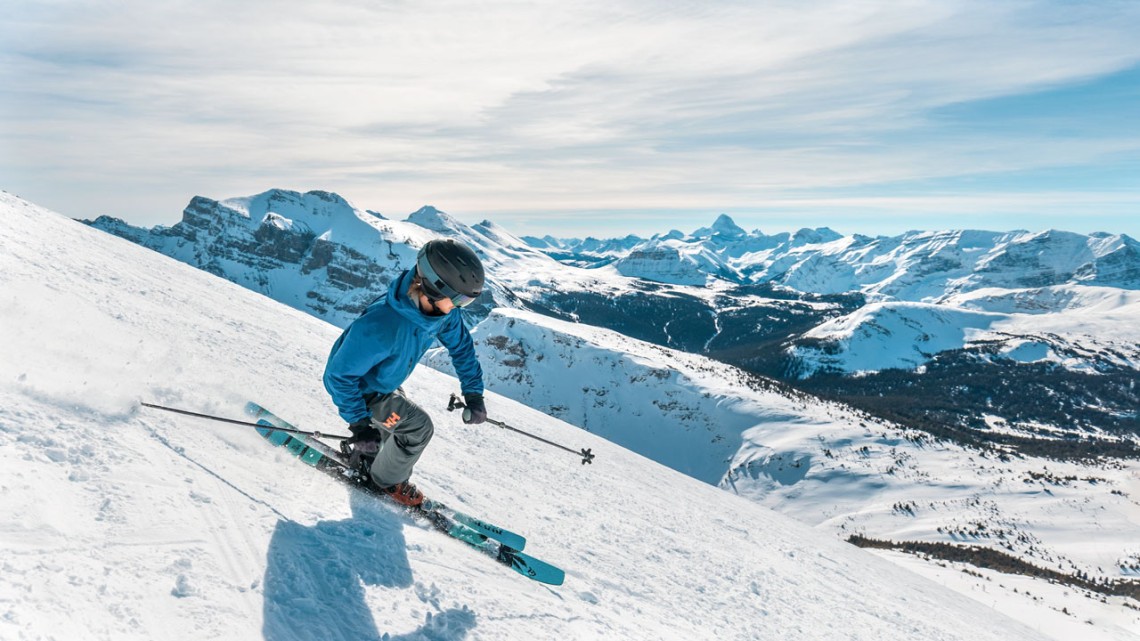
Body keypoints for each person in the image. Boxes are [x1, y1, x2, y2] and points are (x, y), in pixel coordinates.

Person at [323, 238, 488, 507]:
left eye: (465, 302)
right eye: (458, 299)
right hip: (364, 394)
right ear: (434, 288)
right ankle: (384, 481)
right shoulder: (382, 324)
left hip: (383, 384)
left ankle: (369, 458)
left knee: (395, 423)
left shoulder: (441, 312)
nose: (459, 307)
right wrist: (360, 424)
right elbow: (339, 376)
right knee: (417, 428)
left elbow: (462, 349)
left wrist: (473, 393)